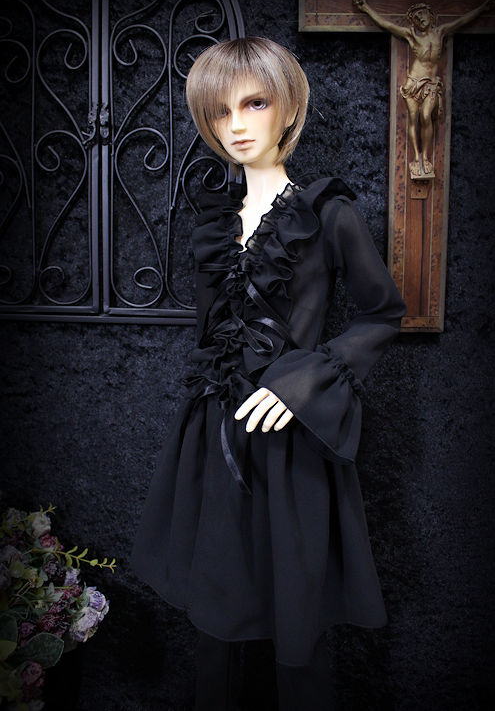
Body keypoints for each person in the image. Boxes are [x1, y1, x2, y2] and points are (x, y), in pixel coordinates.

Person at [129, 36, 407, 710]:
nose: (237, 124)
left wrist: (306, 381)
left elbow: (382, 314)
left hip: (293, 439)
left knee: (298, 612)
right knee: (215, 607)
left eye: (254, 103)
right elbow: (212, 333)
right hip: (215, 431)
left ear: (288, 107)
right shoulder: (213, 223)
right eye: (220, 111)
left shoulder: (328, 213)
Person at [353, 0, 495, 178]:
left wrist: (483, 8)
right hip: (413, 84)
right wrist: (365, 8)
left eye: (422, 14)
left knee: (426, 115)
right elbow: (387, 24)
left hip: (431, 84)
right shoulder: (411, 35)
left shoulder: (440, 32)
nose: (420, 18)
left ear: (431, 15)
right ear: (413, 22)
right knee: (413, 118)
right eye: (416, 17)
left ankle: (425, 156)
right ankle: (416, 156)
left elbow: (462, 21)